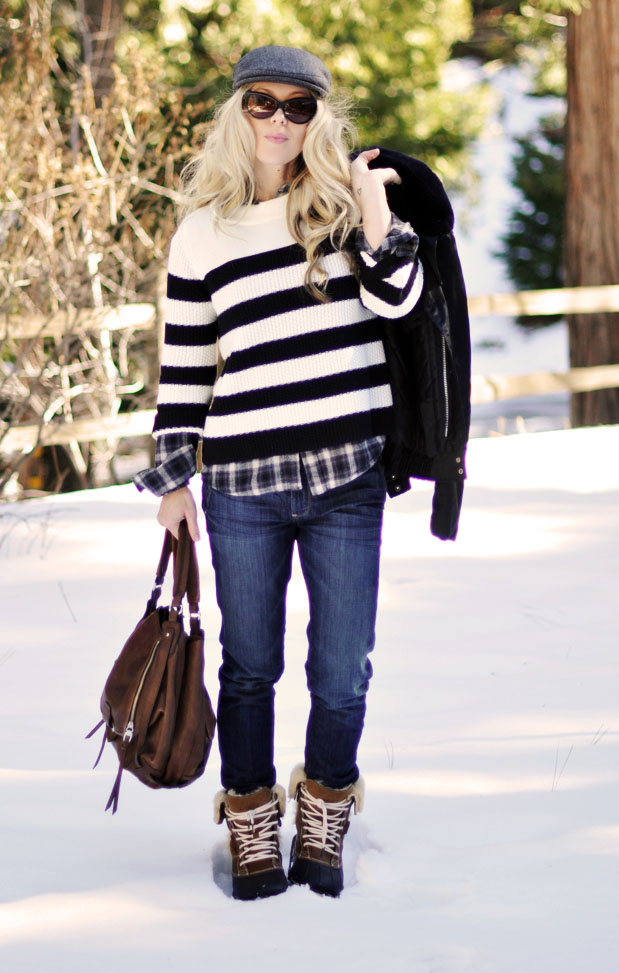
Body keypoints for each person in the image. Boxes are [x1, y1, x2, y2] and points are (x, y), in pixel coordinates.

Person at [134, 44, 423, 900]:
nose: (278, 122)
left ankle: (327, 803)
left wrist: (372, 203)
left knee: (341, 669)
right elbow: (186, 365)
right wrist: (174, 481)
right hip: (242, 486)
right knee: (248, 662)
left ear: (319, 119)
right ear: (237, 111)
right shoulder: (201, 232)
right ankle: (252, 813)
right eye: (262, 103)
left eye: (299, 108)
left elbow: (398, 299)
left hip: (345, 477)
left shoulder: (338, 210)